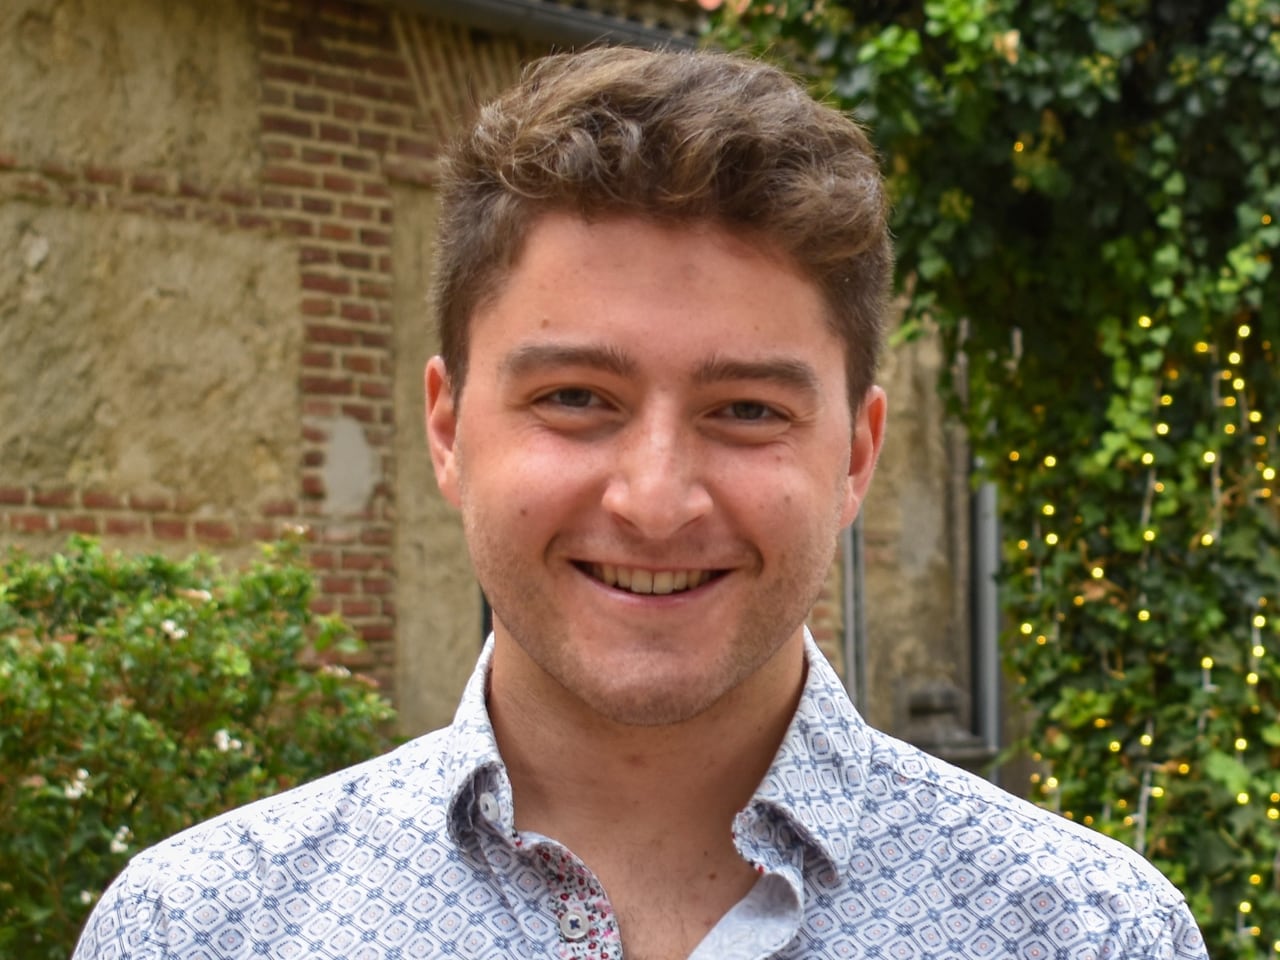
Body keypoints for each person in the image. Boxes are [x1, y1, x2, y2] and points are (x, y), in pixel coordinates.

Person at [74, 46, 1207, 960]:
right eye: (575, 398)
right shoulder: (199, 931)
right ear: (447, 429)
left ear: (856, 455)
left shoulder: (1084, 934)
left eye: (747, 410)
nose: (656, 501)